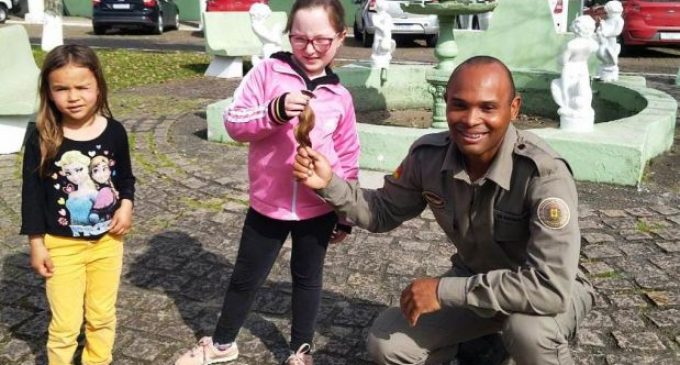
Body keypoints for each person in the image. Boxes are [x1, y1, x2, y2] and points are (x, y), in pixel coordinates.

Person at [293, 56, 594, 365]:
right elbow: (381, 211)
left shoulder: (542, 174)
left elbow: (549, 287)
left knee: (527, 332)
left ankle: (505, 342)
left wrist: (443, 291)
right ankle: (481, 343)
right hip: (477, 280)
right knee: (389, 345)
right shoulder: (429, 157)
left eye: (488, 107)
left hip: (547, 290)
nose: (471, 119)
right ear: (446, 103)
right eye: (459, 105)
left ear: (514, 108)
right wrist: (329, 183)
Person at [174, 0, 360, 364]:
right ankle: (223, 344)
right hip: (268, 204)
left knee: (307, 280)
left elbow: (349, 155)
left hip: (318, 206)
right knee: (245, 278)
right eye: (299, 38)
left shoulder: (340, 96)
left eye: (321, 40)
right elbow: (234, 121)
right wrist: (273, 111)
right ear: (288, 35)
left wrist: (345, 213)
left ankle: (300, 350)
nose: (309, 49)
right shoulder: (267, 73)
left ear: (340, 38)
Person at [21, 44, 135, 365]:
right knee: (65, 324)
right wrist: (36, 244)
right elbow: (30, 194)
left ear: (98, 86)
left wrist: (125, 205)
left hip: (108, 244)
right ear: (49, 91)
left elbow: (125, 178)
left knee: (101, 314)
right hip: (61, 247)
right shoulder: (42, 135)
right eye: (62, 88)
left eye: (82, 87)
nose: (73, 96)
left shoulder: (114, 132)